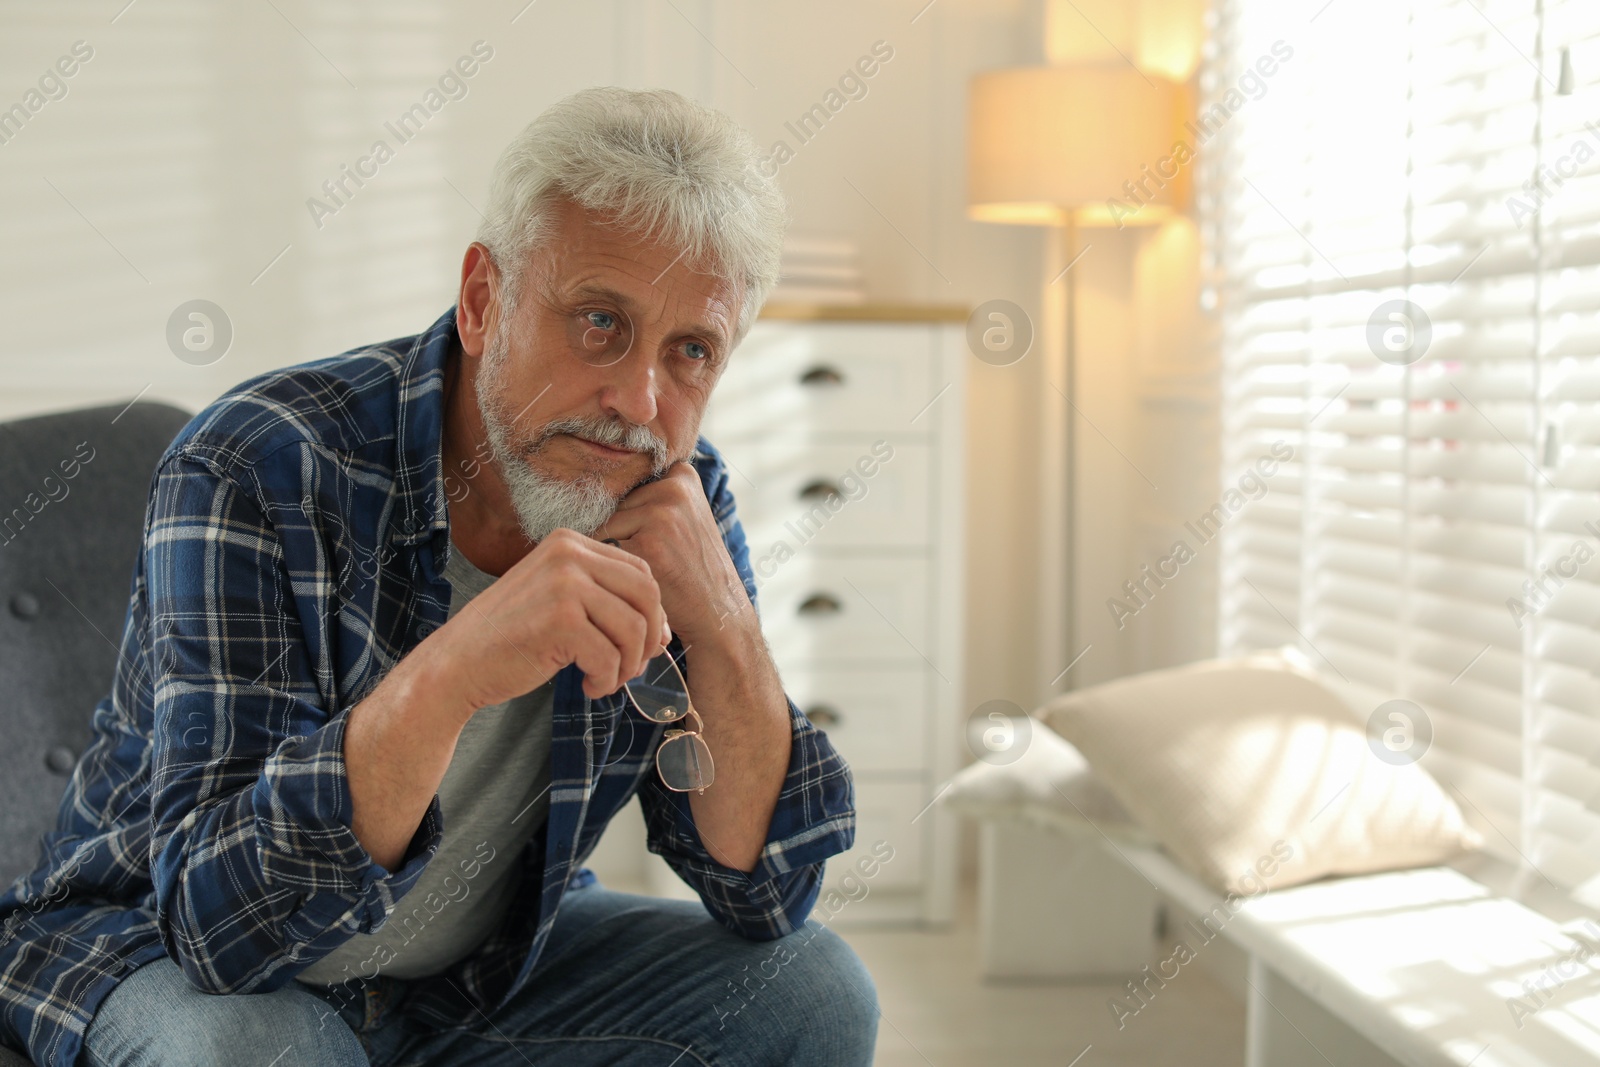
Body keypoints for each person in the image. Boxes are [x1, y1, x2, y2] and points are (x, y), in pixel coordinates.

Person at [0, 86, 875, 1067]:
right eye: (598, 320)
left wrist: (724, 627)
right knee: (256, 1050)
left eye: (691, 352)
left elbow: (762, 892)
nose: (638, 398)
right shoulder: (258, 464)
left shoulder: (673, 495)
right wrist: (457, 669)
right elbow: (222, 929)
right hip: (170, 956)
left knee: (812, 990)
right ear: (481, 298)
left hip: (473, 976)